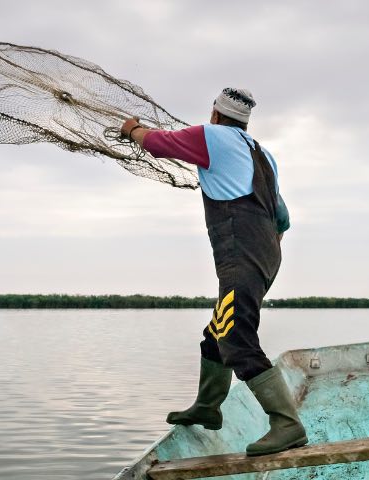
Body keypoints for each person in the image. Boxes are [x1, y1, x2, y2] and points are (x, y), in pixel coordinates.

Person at [120, 88, 307, 456]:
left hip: (241, 254)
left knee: (236, 335)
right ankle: (208, 407)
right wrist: (265, 250)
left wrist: (133, 130)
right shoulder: (262, 155)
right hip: (265, 255)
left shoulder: (210, 136)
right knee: (217, 332)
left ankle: (288, 423)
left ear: (216, 115)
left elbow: (157, 144)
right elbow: (282, 217)